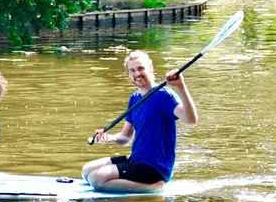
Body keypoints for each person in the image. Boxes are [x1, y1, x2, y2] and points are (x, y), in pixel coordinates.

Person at [81, 50, 198, 192]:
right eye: (132, 70)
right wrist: (110, 138)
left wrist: (181, 86)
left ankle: (152, 187)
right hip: (136, 159)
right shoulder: (135, 98)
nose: (137, 74)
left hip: (155, 166)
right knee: (86, 171)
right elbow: (125, 137)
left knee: (96, 179)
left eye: (141, 68)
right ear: (129, 74)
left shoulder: (164, 95)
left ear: (150, 68)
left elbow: (191, 119)